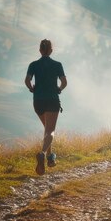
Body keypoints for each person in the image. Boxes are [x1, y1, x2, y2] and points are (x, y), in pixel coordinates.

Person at [25, 39, 67, 175]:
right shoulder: (57, 65)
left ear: (40, 50)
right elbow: (64, 82)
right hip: (52, 100)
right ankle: (43, 154)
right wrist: (59, 89)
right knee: (50, 131)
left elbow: (27, 80)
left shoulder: (33, 65)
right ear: (51, 50)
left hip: (38, 101)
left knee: (46, 129)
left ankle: (50, 159)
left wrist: (32, 89)